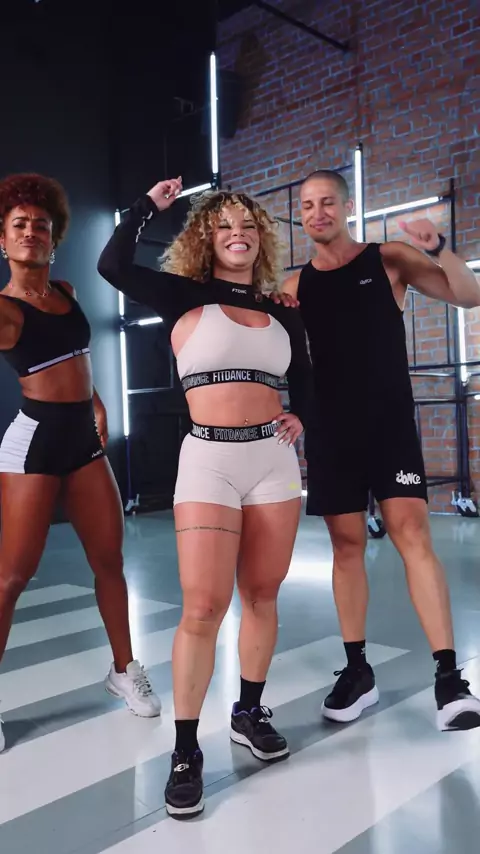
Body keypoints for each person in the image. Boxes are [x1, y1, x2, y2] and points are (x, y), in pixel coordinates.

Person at [97, 176, 312, 818]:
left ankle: (249, 712)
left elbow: (306, 379)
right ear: (206, 239)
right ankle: (186, 749)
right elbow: (112, 265)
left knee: (263, 595)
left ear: (260, 238)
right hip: (209, 461)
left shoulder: (281, 309)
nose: (237, 234)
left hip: (273, 461)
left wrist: (304, 417)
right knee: (203, 606)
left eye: (247, 225)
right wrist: (147, 207)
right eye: (224, 226)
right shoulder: (180, 293)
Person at [280, 169, 480, 733]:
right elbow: (285, 358)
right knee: (346, 547)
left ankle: (449, 680)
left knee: (412, 534)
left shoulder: (387, 259)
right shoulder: (295, 286)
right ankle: (357, 672)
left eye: (327, 202)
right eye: (308, 206)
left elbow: (469, 295)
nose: (317, 213)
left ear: (347, 207)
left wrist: (439, 247)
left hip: (388, 426)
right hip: (330, 433)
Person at [0, 173, 161, 753]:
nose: (31, 232)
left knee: (109, 560)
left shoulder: (65, 291)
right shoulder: (4, 308)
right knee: (11, 577)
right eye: (19, 224)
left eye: (40, 225)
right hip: (35, 442)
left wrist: (94, 400)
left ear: (54, 237)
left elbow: (76, 357)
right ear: (2, 238)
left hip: (82, 440)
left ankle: (124, 670)